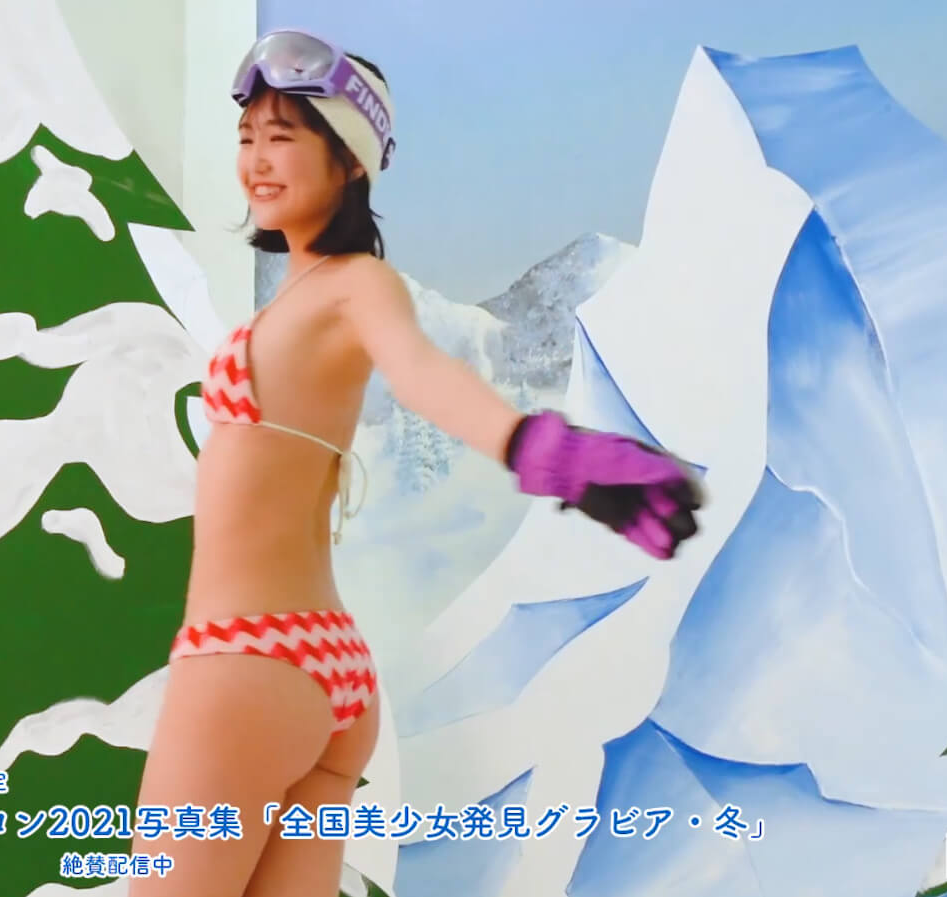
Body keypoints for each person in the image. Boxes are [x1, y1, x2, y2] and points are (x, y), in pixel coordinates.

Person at [130, 28, 705, 897]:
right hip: (322, 669)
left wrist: (550, 454)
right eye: (248, 137)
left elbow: (424, 374)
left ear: (349, 160)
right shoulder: (303, 298)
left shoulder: (354, 285)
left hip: (249, 658)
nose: (257, 159)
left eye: (283, 136)